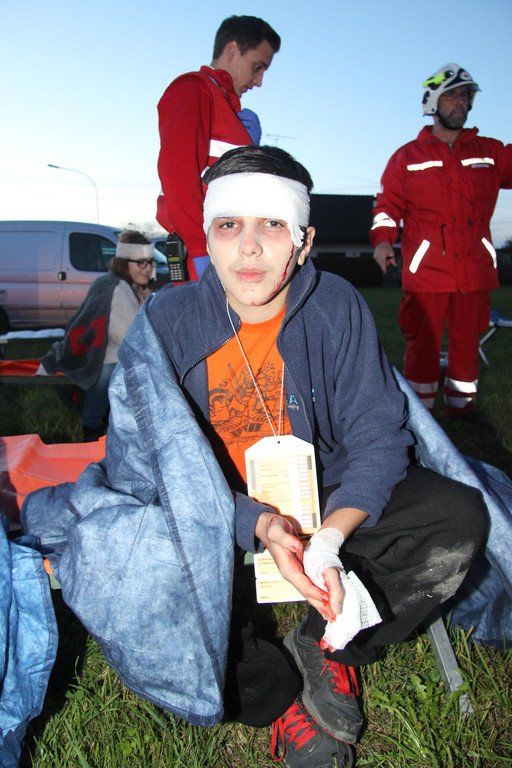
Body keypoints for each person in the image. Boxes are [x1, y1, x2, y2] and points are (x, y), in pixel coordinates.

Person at [145, 145, 486, 767]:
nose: (250, 247)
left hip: (317, 492)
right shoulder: (167, 318)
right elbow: (152, 464)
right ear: (208, 238)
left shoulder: (334, 304)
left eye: (273, 225)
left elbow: (379, 435)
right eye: (229, 224)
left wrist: (328, 539)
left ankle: (329, 642)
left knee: (457, 516)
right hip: (214, 510)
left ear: (303, 243)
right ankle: (275, 700)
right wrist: (255, 523)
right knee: (142, 563)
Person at [371, 63, 512, 417]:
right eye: (452, 96)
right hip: (426, 273)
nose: (461, 103)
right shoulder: (407, 157)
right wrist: (383, 241)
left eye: (466, 96)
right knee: (423, 346)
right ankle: (421, 419)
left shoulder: (490, 152)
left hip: (474, 271)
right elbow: (387, 206)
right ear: (433, 102)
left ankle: (462, 411)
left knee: (467, 344)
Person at [156, 14, 280, 281]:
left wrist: (250, 151)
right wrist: (200, 250)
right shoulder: (193, 89)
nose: (259, 81)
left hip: (228, 249)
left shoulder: (225, 107)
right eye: (257, 67)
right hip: (206, 252)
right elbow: (178, 176)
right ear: (232, 50)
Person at [39, 230, 153, 441]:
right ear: (125, 262)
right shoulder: (119, 289)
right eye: (141, 263)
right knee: (116, 368)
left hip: (93, 351)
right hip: (101, 357)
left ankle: (94, 426)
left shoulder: (108, 281)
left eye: (150, 262)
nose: (148, 269)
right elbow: (130, 337)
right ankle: (93, 430)